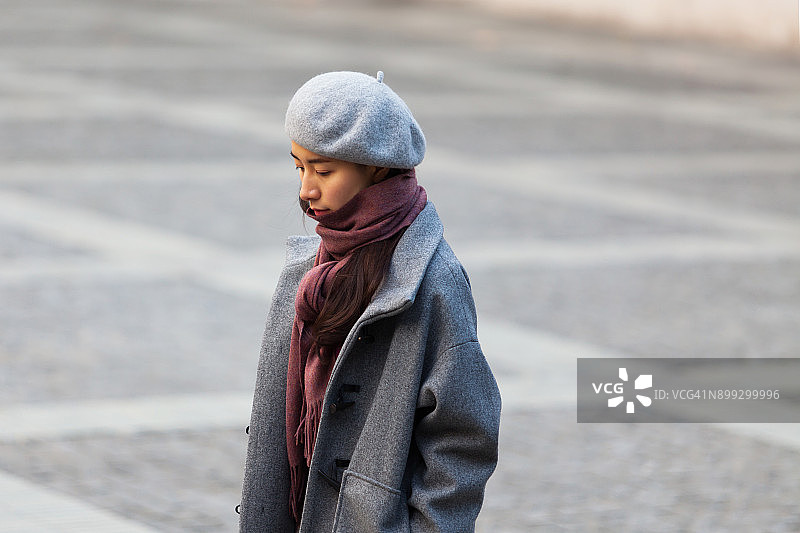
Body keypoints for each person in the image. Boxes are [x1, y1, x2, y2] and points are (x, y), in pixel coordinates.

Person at [238, 70, 501, 533]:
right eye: (299, 167)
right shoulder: (307, 273)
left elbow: (462, 437)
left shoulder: (431, 279)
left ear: (375, 168)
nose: (306, 190)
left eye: (323, 170)